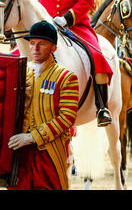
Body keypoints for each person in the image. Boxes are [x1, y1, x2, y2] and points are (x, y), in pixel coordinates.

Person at [30, 0, 113, 127]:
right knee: (17, 53)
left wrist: (66, 18)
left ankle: (102, 107)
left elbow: (86, 0)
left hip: (76, 26)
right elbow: (33, 0)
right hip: (45, 27)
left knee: (98, 56)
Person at [7, 21, 79, 190]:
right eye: (32, 44)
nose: (35, 49)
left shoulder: (66, 77)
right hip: (20, 153)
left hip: (49, 153)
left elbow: (66, 118)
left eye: (42, 44)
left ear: (53, 48)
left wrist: (32, 137)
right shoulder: (20, 73)